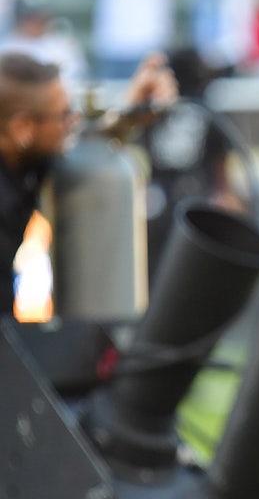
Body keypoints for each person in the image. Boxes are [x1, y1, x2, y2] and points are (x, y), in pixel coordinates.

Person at [0, 50, 177, 317]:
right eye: (63, 115)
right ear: (21, 127)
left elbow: (85, 142)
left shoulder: (28, 156)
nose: (73, 121)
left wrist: (130, 113)